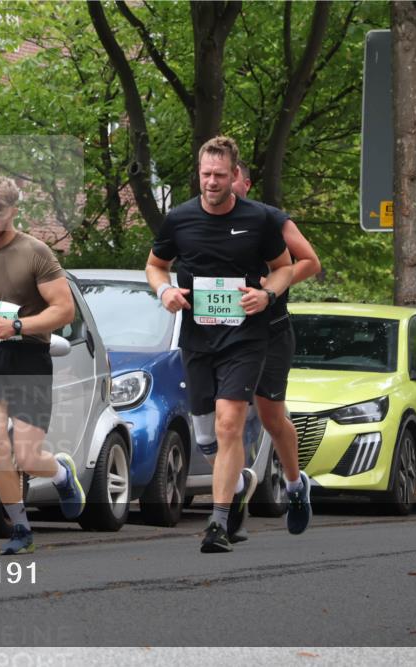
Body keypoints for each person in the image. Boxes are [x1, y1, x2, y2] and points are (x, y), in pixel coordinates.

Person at [146, 136, 293, 553]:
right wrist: (164, 293)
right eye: (206, 174)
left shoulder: (258, 219)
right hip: (198, 337)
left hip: (245, 335)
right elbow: (156, 265)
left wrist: (267, 296)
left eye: (220, 175)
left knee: (231, 424)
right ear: (199, 173)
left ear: (235, 176)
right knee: (207, 435)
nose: (212, 182)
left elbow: (283, 268)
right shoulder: (180, 219)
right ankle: (239, 480)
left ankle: (219, 522)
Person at [0, 176, 85, 555]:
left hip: (29, 356)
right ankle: (21, 528)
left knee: (27, 455)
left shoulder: (36, 252)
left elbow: (64, 309)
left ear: (14, 211)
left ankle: (61, 474)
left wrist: (18, 326)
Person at [232, 161, 319, 536]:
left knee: (270, 417)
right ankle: (231, 497)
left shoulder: (269, 219)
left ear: (245, 183)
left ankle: (296, 485)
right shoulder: (196, 220)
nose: (220, 183)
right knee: (226, 417)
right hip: (225, 335)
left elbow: (310, 262)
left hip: (270, 331)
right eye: (211, 175)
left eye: (230, 176)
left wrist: (271, 286)